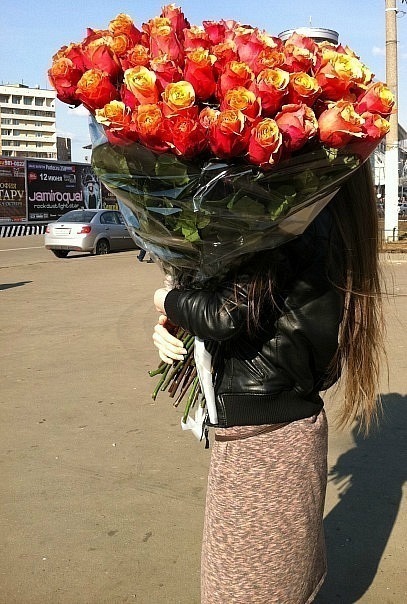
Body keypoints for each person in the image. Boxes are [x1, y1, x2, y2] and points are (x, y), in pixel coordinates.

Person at [152, 161, 384, 604]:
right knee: (271, 580)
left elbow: (223, 315)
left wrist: (167, 296)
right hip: (275, 429)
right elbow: (247, 310)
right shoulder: (316, 218)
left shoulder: (294, 218)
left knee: (243, 589)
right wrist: (177, 317)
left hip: (264, 441)